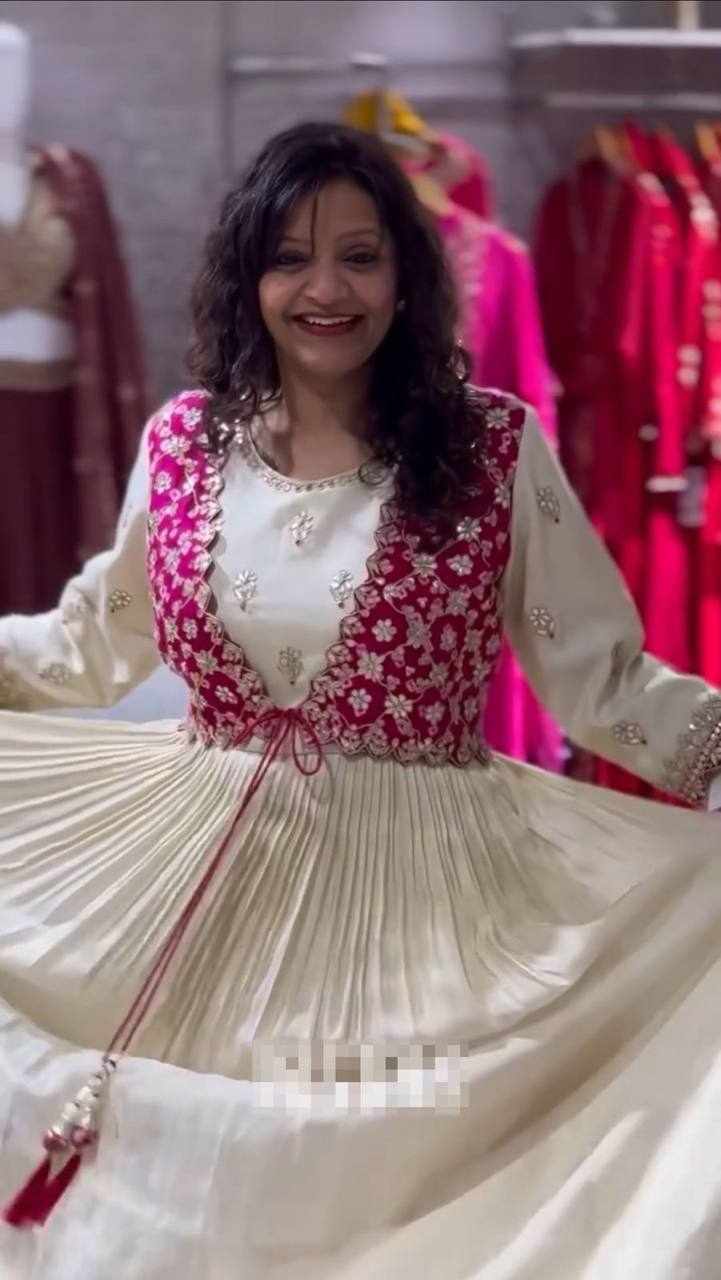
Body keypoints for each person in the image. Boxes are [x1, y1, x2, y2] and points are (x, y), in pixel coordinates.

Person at [0, 121, 720, 1278]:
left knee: (361, 1207)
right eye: (289, 257)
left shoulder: (491, 448)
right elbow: (93, 639)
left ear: (405, 275)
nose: (324, 290)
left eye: (359, 256)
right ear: (248, 275)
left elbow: (598, 676)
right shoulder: (183, 444)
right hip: (197, 895)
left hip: (420, 908)